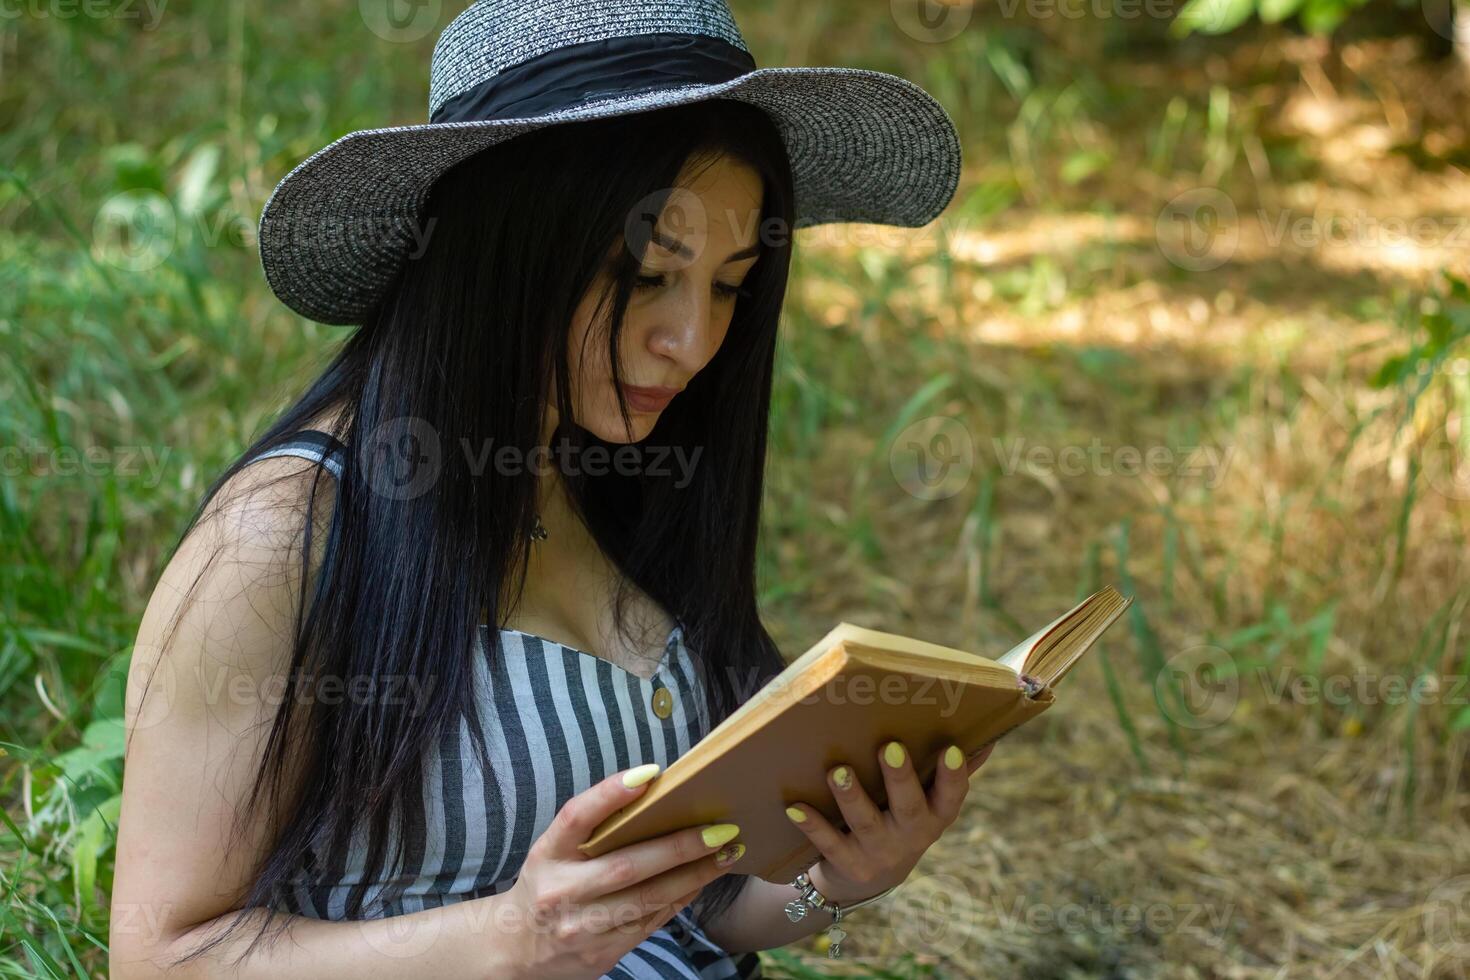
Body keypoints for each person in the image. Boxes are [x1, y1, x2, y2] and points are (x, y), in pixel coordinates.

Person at [109, 1, 992, 977]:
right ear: (505, 249)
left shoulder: (623, 478)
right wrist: (513, 937)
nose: (693, 341)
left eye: (730, 284)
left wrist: (840, 873)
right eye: (647, 272)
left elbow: (695, 907)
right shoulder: (287, 537)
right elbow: (164, 956)